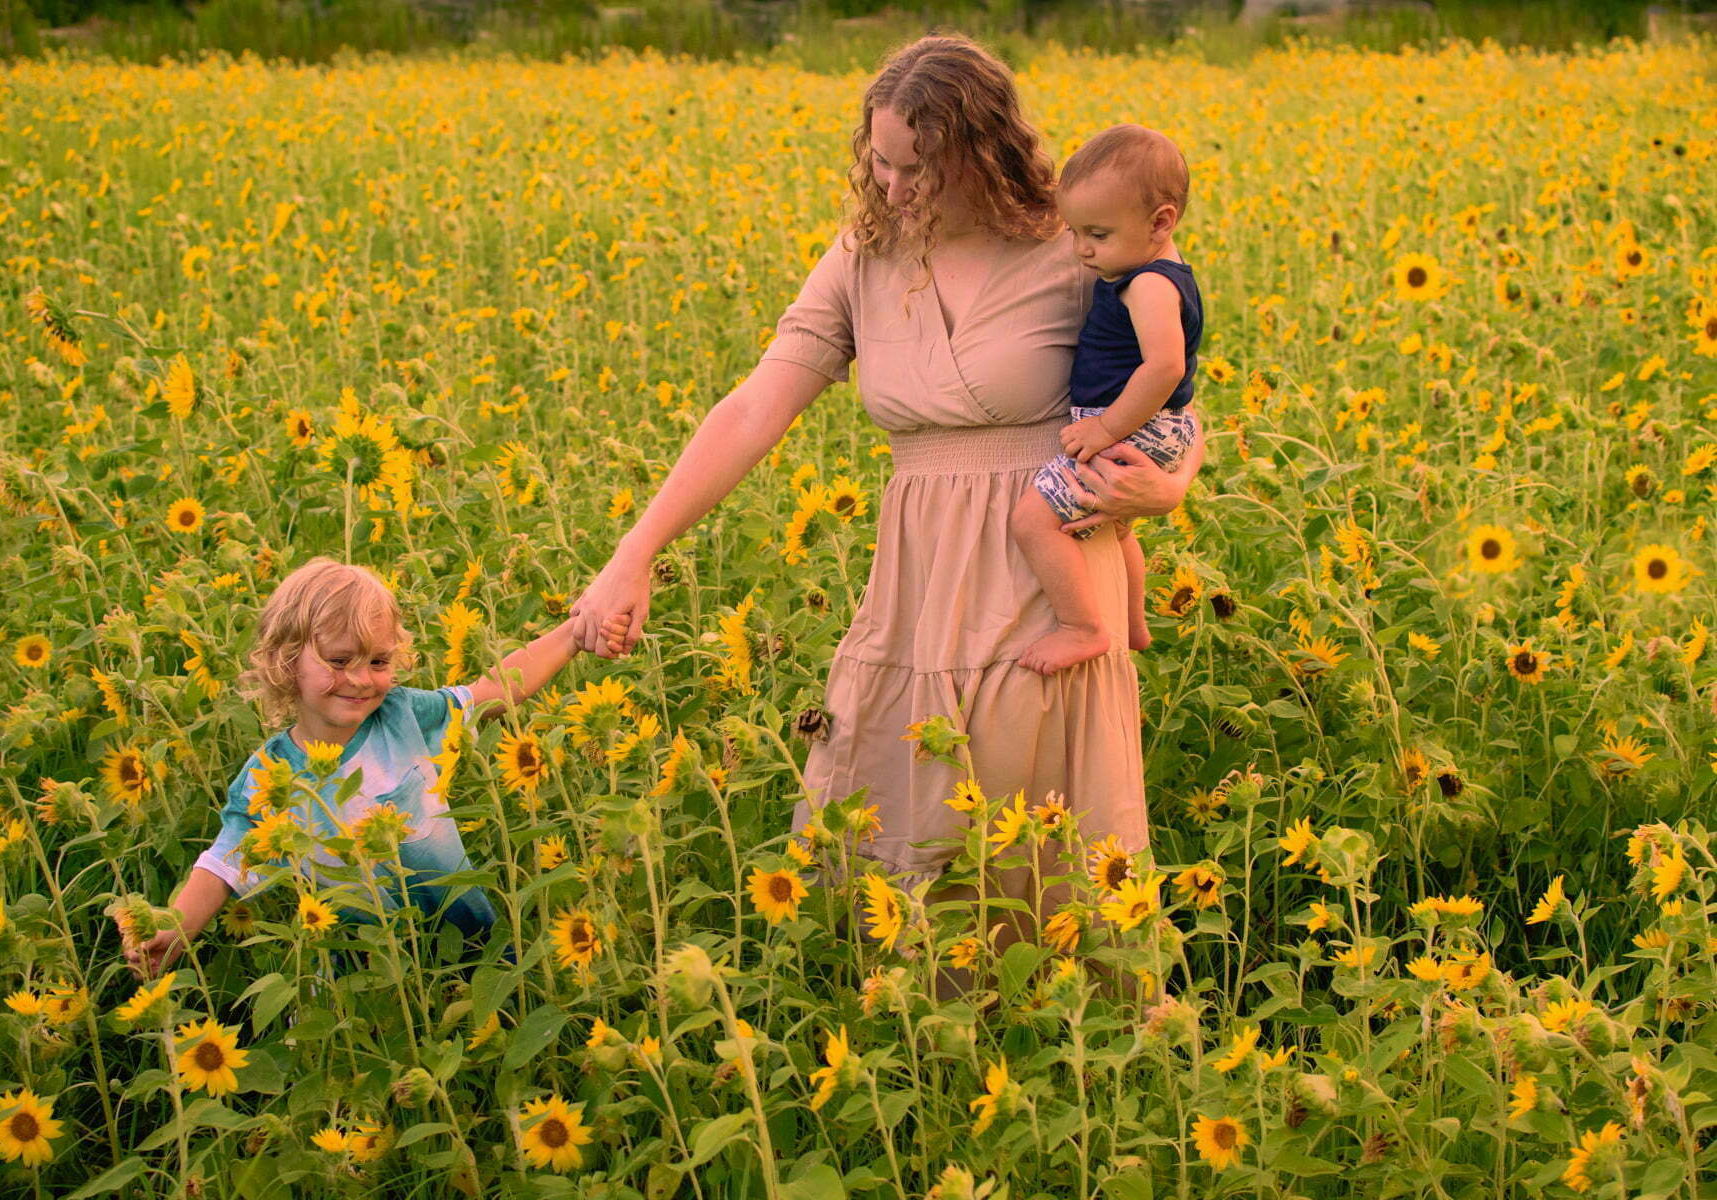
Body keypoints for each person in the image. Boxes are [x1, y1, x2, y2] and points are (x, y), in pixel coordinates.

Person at [569, 35, 1204, 882]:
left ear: (982, 153)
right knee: (894, 839)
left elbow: (1168, 382)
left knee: (1031, 847)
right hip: (915, 581)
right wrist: (633, 554)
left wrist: (1170, 486)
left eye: (920, 168)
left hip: (1044, 567)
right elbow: (755, 408)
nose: (894, 189)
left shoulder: (1078, 244)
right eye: (882, 164)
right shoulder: (864, 257)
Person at [122, 556, 627, 978]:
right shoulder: (270, 776)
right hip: (365, 982)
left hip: (470, 952)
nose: (361, 680)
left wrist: (572, 635)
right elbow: (222, 864)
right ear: (286, 661)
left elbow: (496, 689)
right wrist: (178, 925)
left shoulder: (405, 716)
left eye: (379, 662)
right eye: (340, 661)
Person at [1015, 123, 1203, 674]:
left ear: (1161, 222)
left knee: (1032, 522)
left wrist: (1104, 430)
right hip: (1152, 426)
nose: (1081, 250)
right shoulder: (1153, 270)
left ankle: (1084, 627)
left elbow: (1166, 366)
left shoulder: (1148, 284)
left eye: (1096, 234)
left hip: (1133, 426)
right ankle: (1133, 621)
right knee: (1117, 528)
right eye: (1075, 233)